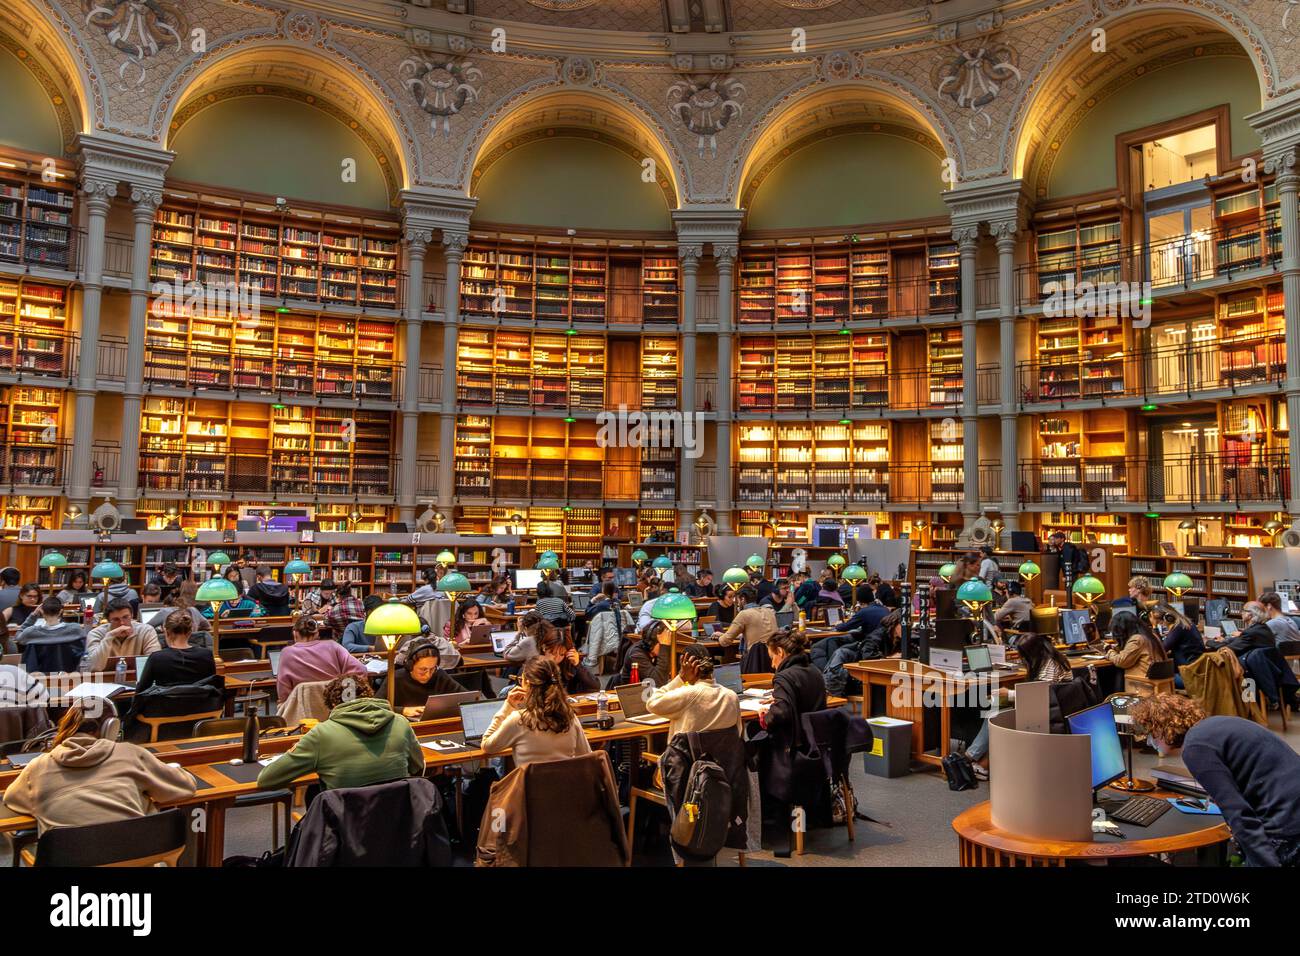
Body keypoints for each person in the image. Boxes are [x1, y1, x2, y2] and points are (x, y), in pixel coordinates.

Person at [1131, 694, 1300, 867]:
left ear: (1164, 728)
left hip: (1287, 823)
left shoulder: (1195, 748)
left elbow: (1238, 813)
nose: (1150, 742)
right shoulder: (1212, 726)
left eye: (1151, 734)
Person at [4, 700, 196, 834]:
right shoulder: (130, 753)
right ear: (110, 729)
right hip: (137, 857)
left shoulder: (38, 767)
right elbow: (185, 787)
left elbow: (12, 800)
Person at [257, 674, 425, 792]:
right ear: (368, 695)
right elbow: (418, 767)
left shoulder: (321, 735)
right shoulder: (400, 723)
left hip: (344, 830)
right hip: (397, 826)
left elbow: (267, 779)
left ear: (332, 705)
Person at [755, 629, 825, 857]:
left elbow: (781, 714)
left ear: (781, 652)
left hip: (791, 754)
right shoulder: (814, 670)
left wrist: (767, 713)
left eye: (772, 657)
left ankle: (769, 826)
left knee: (753, 748)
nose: (773, 664)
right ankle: (802, 823)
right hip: (816, 750)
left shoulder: (783, 677)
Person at [964, 632, 1073, 777]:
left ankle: (973, 757)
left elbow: (1038, 697)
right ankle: (978, 760)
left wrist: (1008, 694)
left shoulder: (1049, 666)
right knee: (998, 707)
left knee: (997, 711)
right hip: (1052, 706)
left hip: (1049, 711)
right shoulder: (1050, 658)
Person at [480, 656, 591, 768]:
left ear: (527, 683)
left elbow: (487, 746)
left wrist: (507, 706)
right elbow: (586, 755)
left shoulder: (519, 720)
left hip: (529, 785)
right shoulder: (569, 717)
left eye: (521, 680)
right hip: (565, 784)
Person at [645, 643, 742, 738]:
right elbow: (738, 733)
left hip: (688, 754)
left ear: (691, 669)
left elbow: (652, 703)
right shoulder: (732, 696)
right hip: (724, 754)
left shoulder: (687, 694)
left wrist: (681, 678)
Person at [276, 616, 367, 700]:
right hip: (334, 706)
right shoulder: (332, 646)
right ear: (317, 633)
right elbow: (360, 670)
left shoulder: (287, 653)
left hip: (302, 709)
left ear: (295, 633)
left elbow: (283, 693)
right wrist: (345, 695)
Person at [379, 638, 466, 717]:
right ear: (410, 666)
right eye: (423, 669)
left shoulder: (439, 675)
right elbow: (374, 707)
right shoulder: (395, 679)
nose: (428, 675)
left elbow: (468, 698)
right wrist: (402, 710)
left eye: (432, 669)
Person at [135, 610, 216, 693]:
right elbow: (212, 686)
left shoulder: (157, 658)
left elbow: (141, 690)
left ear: (165, 631)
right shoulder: (207, 654)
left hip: (165, 705)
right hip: (201, 705)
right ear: (190, 631)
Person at [84, 598, 161, 672]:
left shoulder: (146, 631)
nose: (122, 623)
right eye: (116, 619)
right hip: (104, 681)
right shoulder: (96, 634)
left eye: (125, 617)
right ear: (108, 620)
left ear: (132, 615)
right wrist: (109, 636)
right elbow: (93, 667)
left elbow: (155, 663)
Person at [1096, 612, 1167, 683]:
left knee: (1107, 677)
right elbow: (1131, 652)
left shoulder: (1137, 639)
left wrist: (1109, 650)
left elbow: (1121, 661)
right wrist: (1116, 648)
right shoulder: (1151, 635)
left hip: (1145, 684)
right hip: (1161, 683)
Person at [15, 597, 85, 661]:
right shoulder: (75, 629)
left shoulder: (31, 632)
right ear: (60, 611)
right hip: (69, 672)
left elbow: (18, 638)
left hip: (39, 673)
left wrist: (33, 616)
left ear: (41, 611)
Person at [1153, 601, 1205, 686]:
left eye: (1160, 621)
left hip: (1188, 676)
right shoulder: (1185, 623)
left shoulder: (1178, 628)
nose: (1161, 624)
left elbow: (1161, 649)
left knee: (1157, 676)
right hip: (1196, 671)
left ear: (1168, 617)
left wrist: (1155, 627)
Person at [583, 581, 633, 670]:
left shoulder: (600, 605)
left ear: (603, 591)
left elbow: (587, 612)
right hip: (620, 637)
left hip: (603, 638)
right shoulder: (618, 603)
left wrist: (593, 600)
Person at [538, 626, 599, 694]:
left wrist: (578, 665)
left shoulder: (568, 664)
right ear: (544, 648)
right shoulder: (537, 665)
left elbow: (595, 686)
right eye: (553, 653)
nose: (556, 658)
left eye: (561, 654)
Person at [1209, 601, 1276, 658]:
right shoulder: (1263, 628)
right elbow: (1240, 640)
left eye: (1244, 610)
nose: (1241, 613)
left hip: (1246, 668)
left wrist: (1207, 642)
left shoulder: (1251, 633)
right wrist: (1225, 640)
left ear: (1250, 615)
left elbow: (1227, 649)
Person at [619, 620, 670, 687]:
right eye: (665, 642)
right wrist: (664, 647)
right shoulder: (636, 654)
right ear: (651, 642)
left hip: (650, 694)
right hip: (633, 694)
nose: (668, 645)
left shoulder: (654, 652)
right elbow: (657, 683)